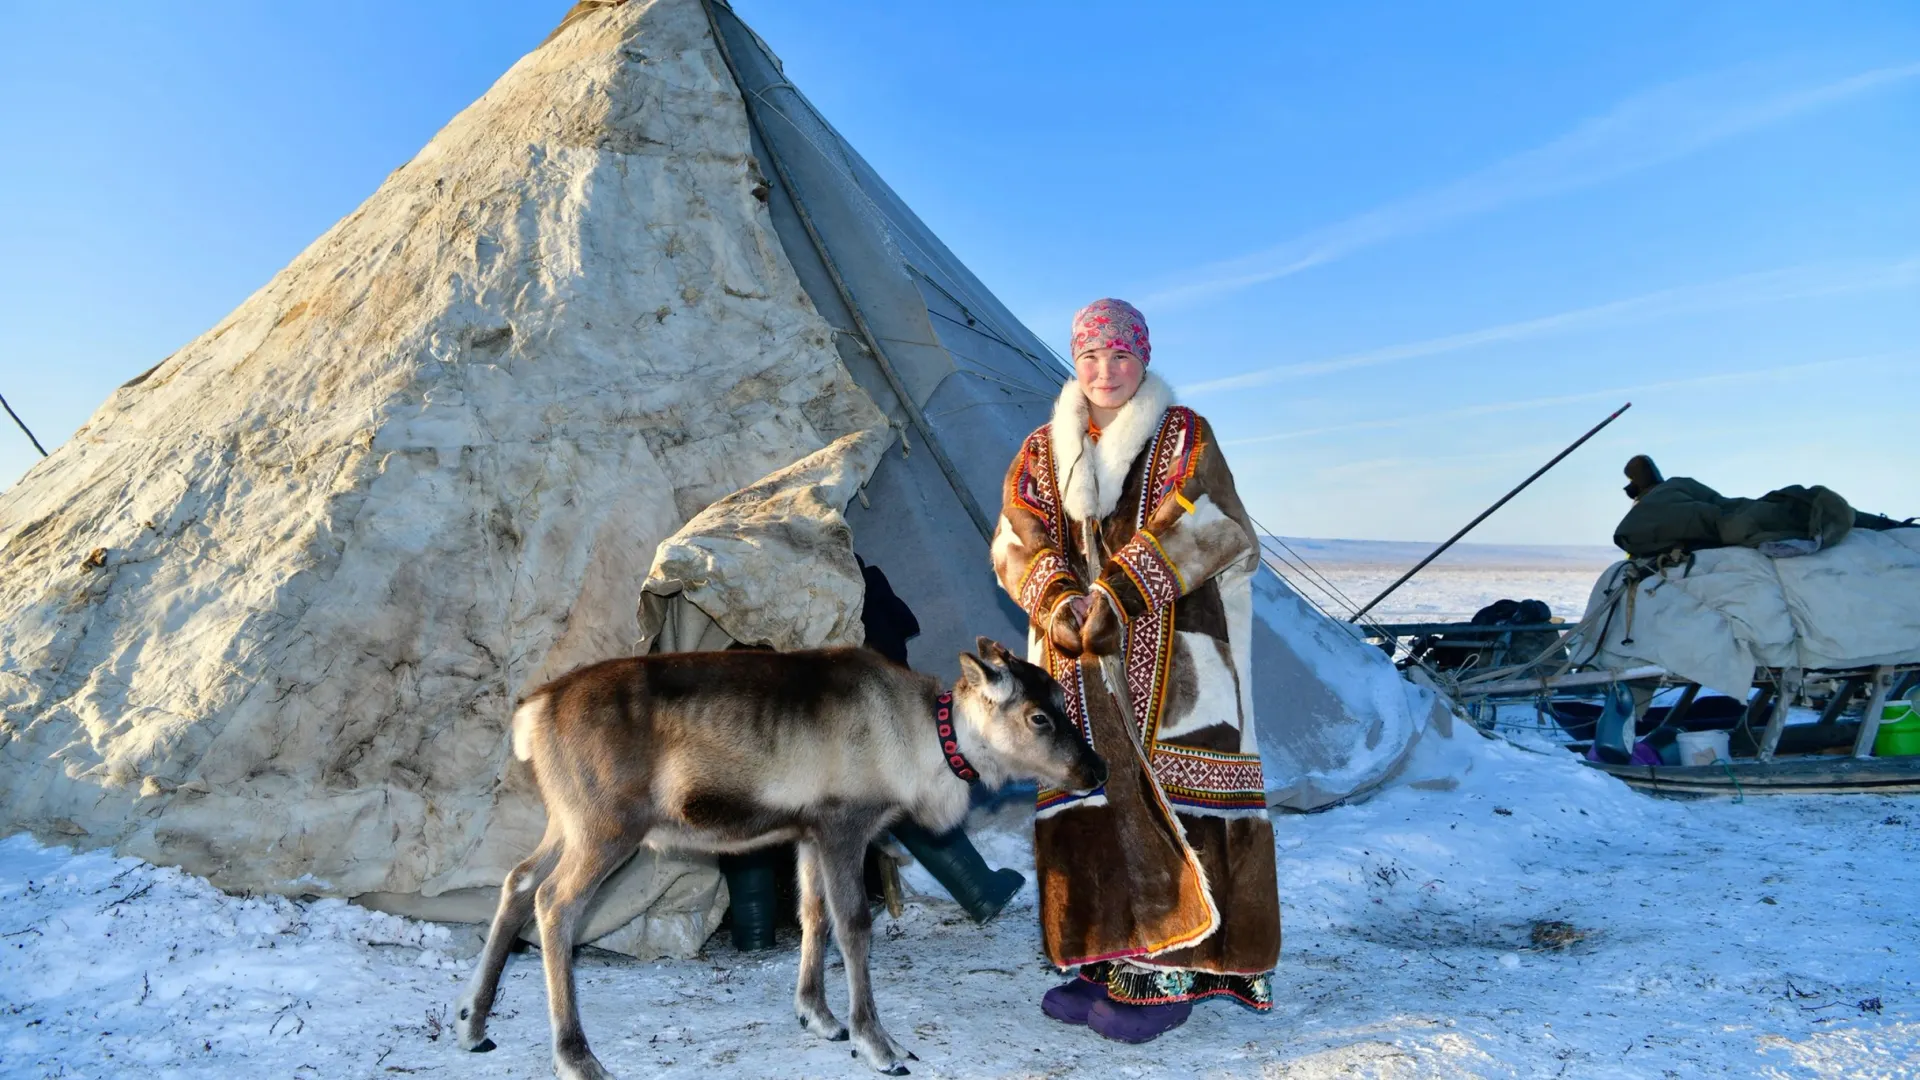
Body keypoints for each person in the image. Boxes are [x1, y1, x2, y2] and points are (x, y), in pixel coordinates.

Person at [991, 298, 1279, 1043]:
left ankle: (1169, 977)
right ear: (1074, 363)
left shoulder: (1184, 434)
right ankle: (1101, 962)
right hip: (1073, 655)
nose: (1105, 371)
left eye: (1120, 356)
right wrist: (1058, 601)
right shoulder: (1040, 448)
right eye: (1090, 357)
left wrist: (1116, 594)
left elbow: (1212, 519)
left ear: (1143, 360)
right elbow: (1016, 535)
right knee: (1090, 798)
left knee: (1175, 801)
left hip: (1178, 651)